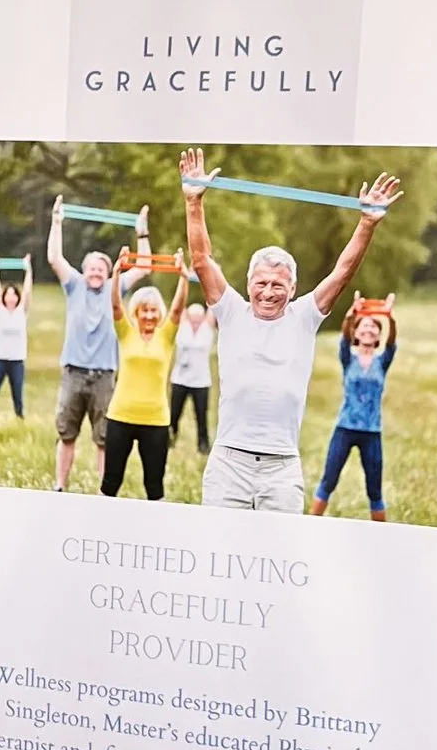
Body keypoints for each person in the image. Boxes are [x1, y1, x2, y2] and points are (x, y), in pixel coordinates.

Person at [180, 147, 400, 513]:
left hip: (281, 469)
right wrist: (193, 202)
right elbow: (202, 260)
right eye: (261, 283)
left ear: (293, 289)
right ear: (248, 283)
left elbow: (342, 273)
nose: (268, 292)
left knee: (276, 559)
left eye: (278, 285)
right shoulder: (231, 310)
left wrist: (366, 224)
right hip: (228, 463)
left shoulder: (304, 317)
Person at [46, 196, 123, 490]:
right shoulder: (75, 285)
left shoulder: (115, 290)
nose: (95, 273)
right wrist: (56, 221)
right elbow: (54, 258)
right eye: (91, 268)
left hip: (104, 376)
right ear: (84, 270)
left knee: (104, 439)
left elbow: (142, 268)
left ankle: (103, 493)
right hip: (73, 373)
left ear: (109, 273)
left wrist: (142, 233)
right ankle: (60, 486)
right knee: (67, 434)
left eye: (101, 269)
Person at [103, 264, 188, 499]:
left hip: (156, 421)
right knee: (111, 482)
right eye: (144, 311)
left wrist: (183, 277)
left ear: (159, 312)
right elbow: (115, 305)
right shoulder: (126, 332)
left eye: (153, 310)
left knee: (154, 486)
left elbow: (178, 309)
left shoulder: (166, 336)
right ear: (136, 313)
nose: (149, 315)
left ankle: (156, 532)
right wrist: (117, 273)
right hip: (120, 417)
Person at [312, 299, 397, 520]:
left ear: (378, 336)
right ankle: (309, 525)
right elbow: (344, 337)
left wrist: (390, 318)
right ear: (356, 334)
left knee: (374, 490)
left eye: (373, 327)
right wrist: (351, 316)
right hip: (345, 428)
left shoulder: (383, 361)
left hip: (372, 431)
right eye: (363, 326)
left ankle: (381, 539)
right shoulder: (348, 358)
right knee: (328, 481)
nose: (368, 329)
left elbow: (392, 342)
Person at [0, 264, 30, 423]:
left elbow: (28, 291)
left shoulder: (21, 312)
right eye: (7, 295)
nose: (10, 298)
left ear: (17, 297)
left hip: (17, 361)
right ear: (4, 297)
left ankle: (20, 421)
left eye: (13, 295)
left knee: (18, 396)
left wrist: (28, 270)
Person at [168, 298, 214, 456]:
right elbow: (179, 304)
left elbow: (213, 304)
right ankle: (169, 441)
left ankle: (203, 446)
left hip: (201, 382)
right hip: (180, 380)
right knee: (174, 414)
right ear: (188, 316)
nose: (195, 322)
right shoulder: (182, 326)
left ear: (202, 318)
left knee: (201, 416)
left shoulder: (207, 328)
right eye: (192, 318)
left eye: (198, 319)